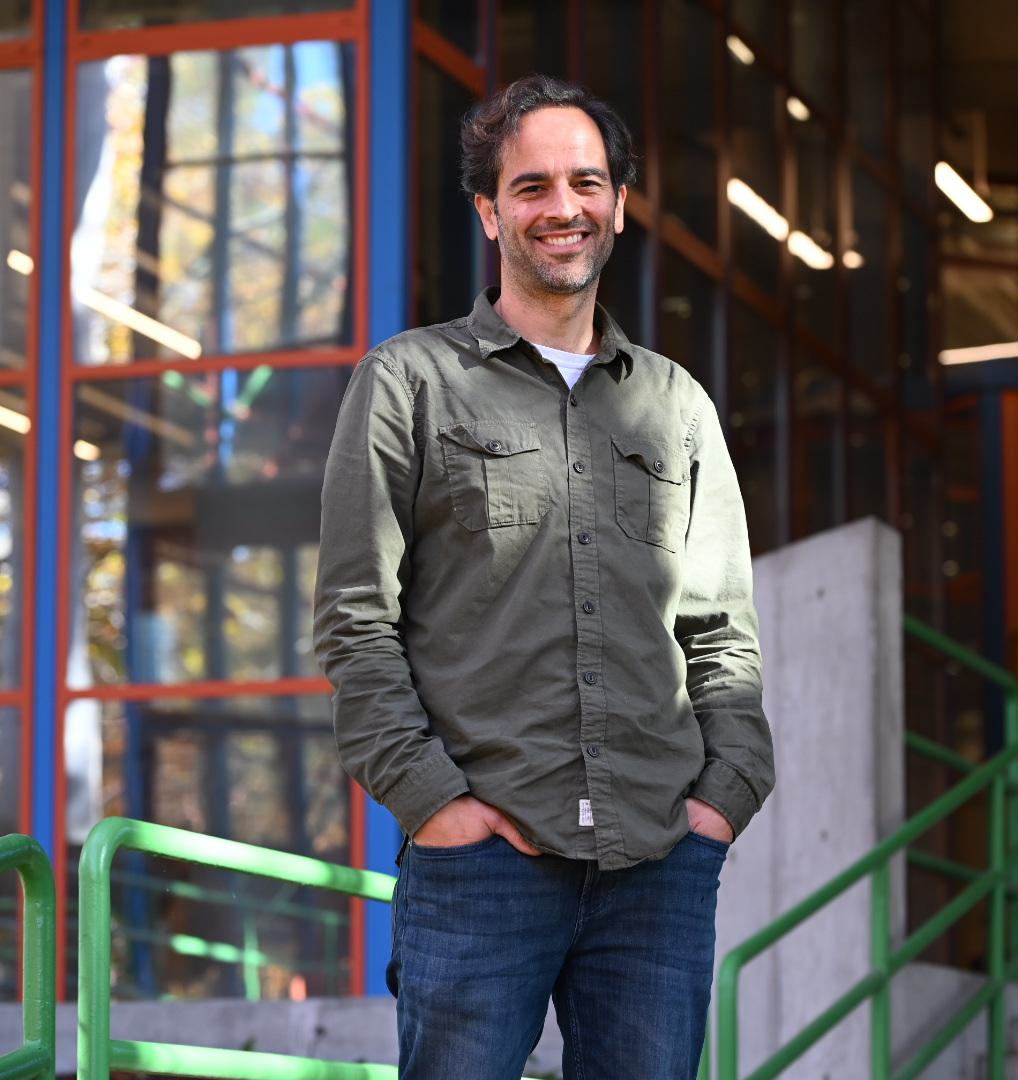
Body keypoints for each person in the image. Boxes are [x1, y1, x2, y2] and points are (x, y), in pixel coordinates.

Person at [313, 73, 774, 1080]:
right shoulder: (408, 384)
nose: (563, 208)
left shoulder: (676, 408)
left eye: (587, 182)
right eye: (531, 188)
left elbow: (721, 633)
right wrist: (435, 803)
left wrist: (720, 803)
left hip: (657, 863)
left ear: (616, 203)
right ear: (489, 211)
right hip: (482, 860)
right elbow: (355, 622)